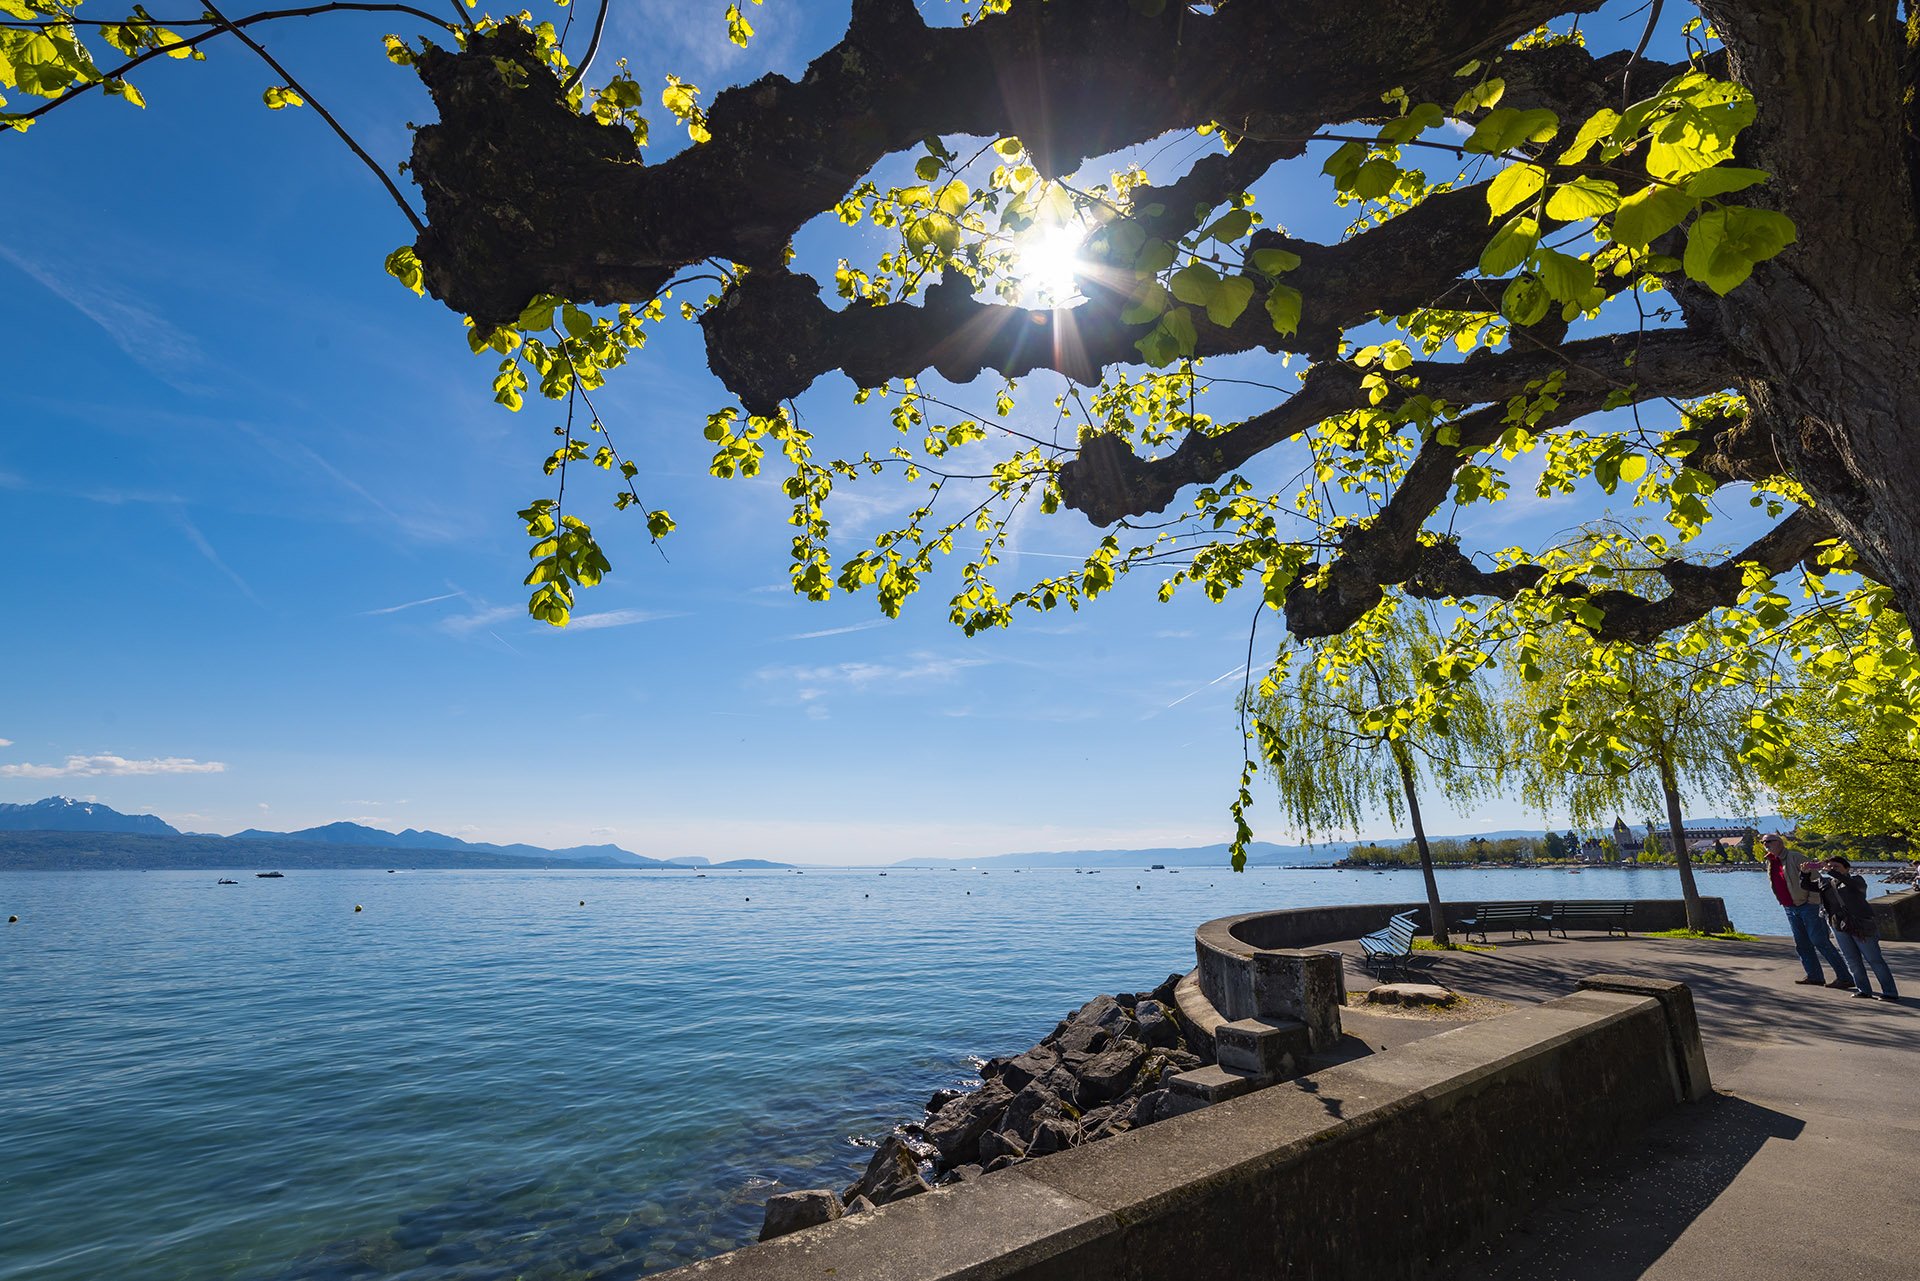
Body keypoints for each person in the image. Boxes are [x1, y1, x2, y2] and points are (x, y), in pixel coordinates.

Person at [1763, 833, 1853, 989]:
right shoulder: (1770, 861)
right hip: (1789, 907)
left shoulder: (1796, 857)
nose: (1765, 844)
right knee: (1802, 944)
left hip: (1807, 905)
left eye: (1769, 841)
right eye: (1763, 842)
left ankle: (1845, 977)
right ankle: (1814, 976)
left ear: (1780, 843)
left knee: (1820, 941)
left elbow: (1815, 877)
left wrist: (1813, 899)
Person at [1807, 855, 1901, 1002]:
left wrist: (1831, 872)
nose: (1832, 869)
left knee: (1874, 959)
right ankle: (1863, 990)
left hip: (1861, 924)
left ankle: (1890, 992)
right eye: (1830, 866)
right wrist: (1804, 872)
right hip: (1838, 925)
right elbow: (1805, 886)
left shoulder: (1857, 881)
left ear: (1847, 868)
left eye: (1836, 866)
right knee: (1852, 960)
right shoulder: (1825, 882)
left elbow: (1851, 884)